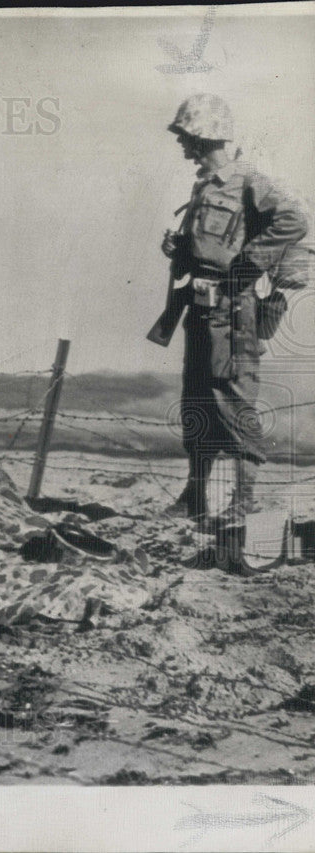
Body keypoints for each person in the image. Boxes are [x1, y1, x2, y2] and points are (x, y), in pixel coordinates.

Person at [160, 94, 307, 572]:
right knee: (197, 401)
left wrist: (245, 267)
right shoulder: (206, 184)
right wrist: (178, 248)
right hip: (202, 307)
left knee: (234, 402)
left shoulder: (249, 180)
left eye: (186, 136)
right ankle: (196, 498)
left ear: (203, 135)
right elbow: (208, 245)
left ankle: (242, 505)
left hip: (234, 311)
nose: (182, 144)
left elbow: (294, 219)